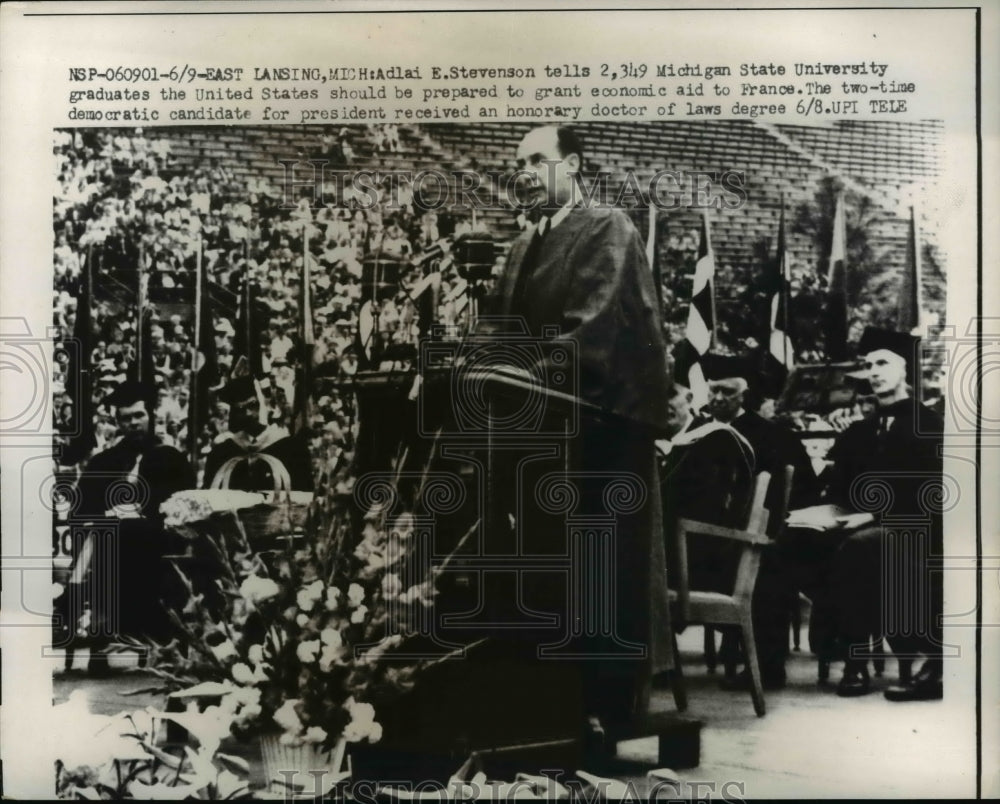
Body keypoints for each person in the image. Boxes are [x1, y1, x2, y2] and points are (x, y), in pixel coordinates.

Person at [485, 124, 673, 735]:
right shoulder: (521, 244)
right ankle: (543, 703)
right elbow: (500, 333)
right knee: (541, 567)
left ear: (573, 166)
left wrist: (517, 377)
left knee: (602, 571)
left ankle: (605, 711)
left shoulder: (607, 227)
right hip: (541, 429)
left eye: (536, 160)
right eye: (517, 162)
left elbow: (589, 333)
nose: (523, 172)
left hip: (605, 428)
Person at [823, 327, 943, 700]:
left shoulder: (930, 425)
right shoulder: (861, 429)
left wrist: (874, 517)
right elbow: (839, 489)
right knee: (788, 541)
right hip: (860, 526)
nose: (873, 371)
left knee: (860, 546)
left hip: (916, 532)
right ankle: (766, 659)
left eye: (882, 363)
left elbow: (931, 494)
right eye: (868, 364)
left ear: (905, 370)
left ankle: (856, 660)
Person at [700, 353, 814, 689]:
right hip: (706, 535)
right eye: (713, 391)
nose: (718, 398)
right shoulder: (700, 431)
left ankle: (764, 665)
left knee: (767, 565)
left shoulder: (772, 437)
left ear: (743, 395)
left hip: (752, 538)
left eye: (727, 392)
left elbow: (797, 491)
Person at [72, 380, 195, 663]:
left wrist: (145, 514)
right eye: (126, 418)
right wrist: (109, 514)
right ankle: (104, 630)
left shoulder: (172, 459)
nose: (133, 423)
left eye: (138, 415)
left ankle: (153, 633)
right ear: (117, 423)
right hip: (113, 546)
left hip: (158, 543)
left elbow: (186, 505)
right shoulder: (103, 462)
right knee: (108, 539)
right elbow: (82, 509)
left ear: (150, 416)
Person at [202, 375, 313, 492]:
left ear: (266, 403)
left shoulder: (293, 451)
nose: (248, 414)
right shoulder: (221, 454)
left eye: (253, 405)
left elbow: (305, 496)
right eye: (240, 409)